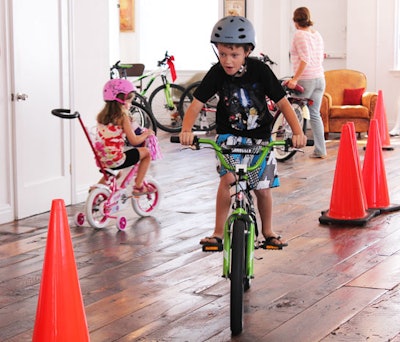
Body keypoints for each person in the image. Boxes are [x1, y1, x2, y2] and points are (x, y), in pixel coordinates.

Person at [179, 16, 307, 250]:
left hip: (260, 138)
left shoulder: (260, 70)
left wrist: (297, 132)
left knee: (262, 189)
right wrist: (186, 130)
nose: (228, 61)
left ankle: (267, 230)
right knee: (227, 181)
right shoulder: (216, 72)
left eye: (234, 55)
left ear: (247, 51)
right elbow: (196, 104)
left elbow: (283, 104)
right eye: (222, 54)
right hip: (229, 137)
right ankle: (218, 232)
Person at [94, 79, 155, 195]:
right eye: (130, 101)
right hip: (116, 159)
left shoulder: (101, 116)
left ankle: (96, 190)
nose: (130, 104)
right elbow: (134, 141)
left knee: (117, 173)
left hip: (101, 158)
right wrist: (146, 134)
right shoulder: (123, 117)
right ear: (122, 101)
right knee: (146, 153)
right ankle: (139, 186)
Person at [286, 7, 327, 159]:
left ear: (296, 20)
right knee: (315, 114)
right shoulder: (317, 35)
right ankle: (320, 150)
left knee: (293, 111)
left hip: (306, 79)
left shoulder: (299, 35)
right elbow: (319, 56)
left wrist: (295, 78)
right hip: (320, 78)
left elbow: (305, 59)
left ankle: (291, 145)